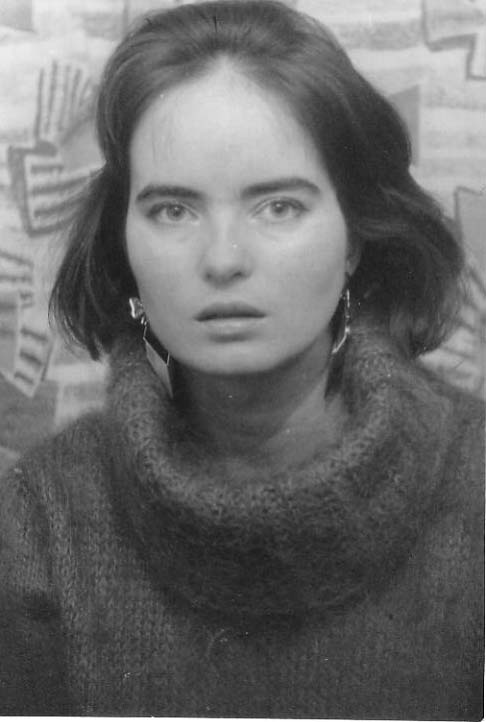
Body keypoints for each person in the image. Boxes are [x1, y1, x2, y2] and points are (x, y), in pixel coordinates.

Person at [0, 0, 483, 717]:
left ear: (354, 237)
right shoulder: (37, 525)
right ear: (123, 245)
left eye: (278, 206)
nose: (223, 259)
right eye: (173, 210)